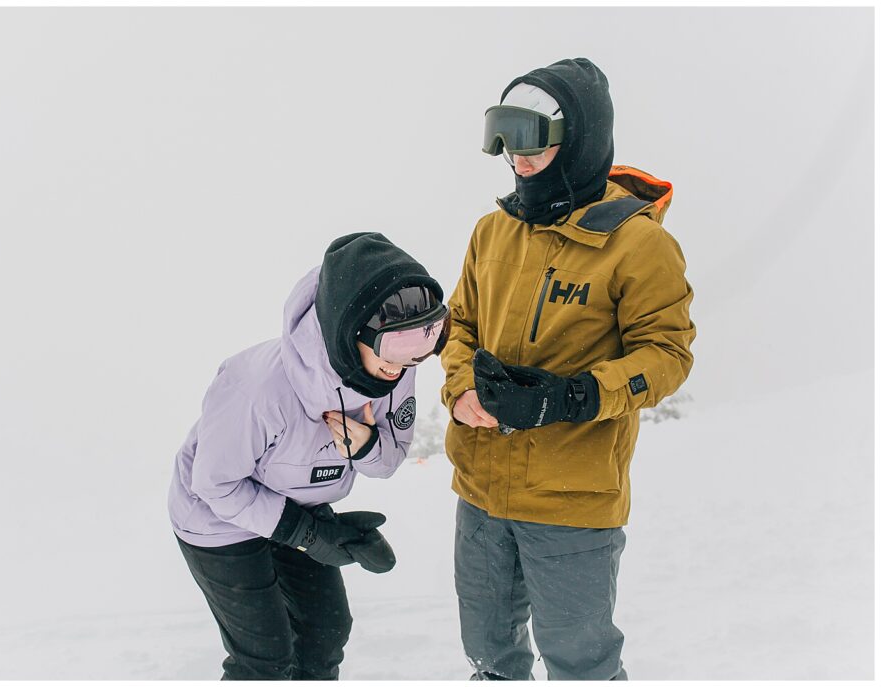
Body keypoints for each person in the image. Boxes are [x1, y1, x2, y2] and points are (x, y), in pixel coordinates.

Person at [440, 57, 696, 680]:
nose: (515, 158)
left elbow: (668, 354)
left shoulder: (637, 245)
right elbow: (459, 326)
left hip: (571, 500)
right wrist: (461, 389)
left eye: (531, 141)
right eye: (503, 138)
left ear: (578, 139)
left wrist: (575, 397)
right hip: (480, 491)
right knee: (490, 658)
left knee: (581, 665)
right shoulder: (492, 231)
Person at [169, 232, 450, 680]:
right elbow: (215, 485)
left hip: (297, 502)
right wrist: (309, 535)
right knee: (265, 655)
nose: (405, 366)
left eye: (426, 341)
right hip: (215, 519)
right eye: (397, 347)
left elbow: (388, 460)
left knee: (326, 631)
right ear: (348, 328)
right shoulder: (258, 388)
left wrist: (366, 446)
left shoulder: (394, 367)